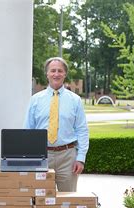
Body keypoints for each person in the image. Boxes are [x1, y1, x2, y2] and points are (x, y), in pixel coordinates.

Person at [24, 57, 89, 192]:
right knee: (40, 199)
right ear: (47, 74)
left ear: (65, 74)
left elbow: (82, 130)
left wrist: (80, 158)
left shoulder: (75, 100)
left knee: (67, 200)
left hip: (68, 158)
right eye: (52, 70)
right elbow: (28, 131)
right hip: (41, 156)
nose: (56, 74)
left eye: (60, 71)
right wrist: (29, 158)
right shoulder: (35, 100)